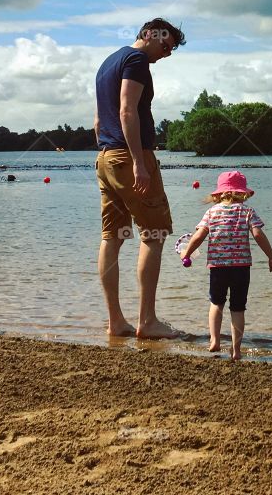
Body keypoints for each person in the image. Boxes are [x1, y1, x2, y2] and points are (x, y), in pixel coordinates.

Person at [94, 17, 185, 339]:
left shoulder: (108, 63)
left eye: (172, 49)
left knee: (113, 236)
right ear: (148, 34)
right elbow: (126, 111)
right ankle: (147, 322)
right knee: (154, 233)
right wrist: (138, 163)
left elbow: (97, 118)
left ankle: (116, 322)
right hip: (129, 156)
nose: (167, 53)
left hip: (106, 156)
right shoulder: (135, 60)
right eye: (165, 45)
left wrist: (107, 152)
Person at [180, 170, 272, 360]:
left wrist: (186, 253)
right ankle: (236, 350)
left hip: (218, 268)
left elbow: (199, 236)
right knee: (238, 308)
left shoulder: (211, 212)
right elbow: (258, 235)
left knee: (216, 303)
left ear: (219, 193)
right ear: (242, 193)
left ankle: (215, 341)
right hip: (241, 268)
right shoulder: (247, 211)